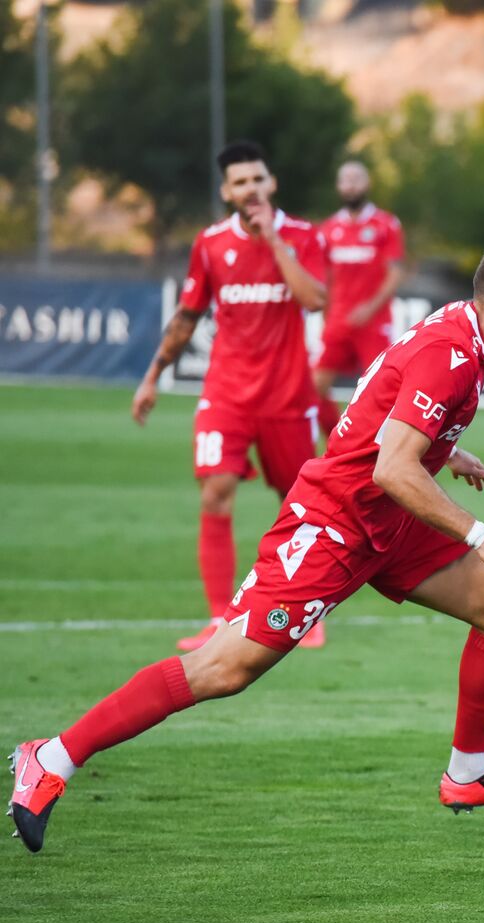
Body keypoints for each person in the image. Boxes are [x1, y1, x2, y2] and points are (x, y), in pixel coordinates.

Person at [9, 242, 484, 855]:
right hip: (334, 527)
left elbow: (381, 396)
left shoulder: (462, 332)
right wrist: (482, 536)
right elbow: (391, 470)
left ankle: (468, 773)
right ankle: (51, 757)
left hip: (391, 525)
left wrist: (443, 449)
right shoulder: (450, 354)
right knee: (224, 669)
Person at [131, 140, 329, 652]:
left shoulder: (304, 236)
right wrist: (153, 375)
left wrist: (274, 243)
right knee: (215, 493)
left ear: (272, 183)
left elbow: (314, 298)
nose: (251, 189)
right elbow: (187, 316)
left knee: (299, 504)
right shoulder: (211, 244)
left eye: (258, 179)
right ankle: (220, 621)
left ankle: (304, 611)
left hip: (288, 397)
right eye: (240, 182)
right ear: (227, 191)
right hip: (226, 395)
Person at [314, 161, 406, 442]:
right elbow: (323, 277)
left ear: (367, 184)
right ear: (338, 186)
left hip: (373, 322)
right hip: (338, 321)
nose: (351, 185)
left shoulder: (385, 224)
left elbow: (395, 273)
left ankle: (381, 447)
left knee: (380, 391)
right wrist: (326, 312)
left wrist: (370, 307)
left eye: (356, 179)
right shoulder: (328, 229)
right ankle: (340, 441)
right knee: (312, 388)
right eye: (345, 180)